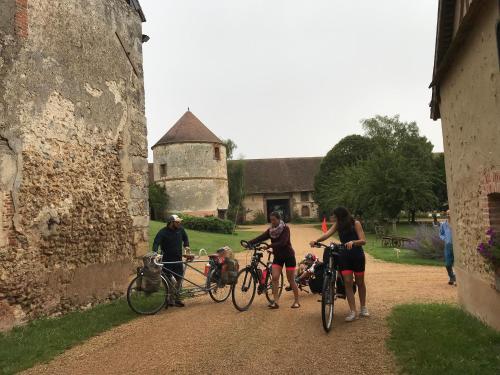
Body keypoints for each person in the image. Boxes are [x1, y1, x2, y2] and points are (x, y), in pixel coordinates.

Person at [310, 206, 369, 322]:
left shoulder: (355, 223)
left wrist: (353, 242)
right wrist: (316, 241)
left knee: (360, 282)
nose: (332, 218)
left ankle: (363, 307)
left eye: (334, 216)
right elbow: (327, 234)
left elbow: (363, 240)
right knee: (347, 282)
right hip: (345, 256)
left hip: (357, 255)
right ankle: (353, 311)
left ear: (340, 216)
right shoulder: (338, 224)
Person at [248, 211, 300, 309]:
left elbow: (283, 242)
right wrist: (249, 243)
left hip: (289, 256)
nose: (272, 222)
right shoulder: (271, 230)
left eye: (274, 220)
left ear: (278, 219)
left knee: (291, 280)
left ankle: (297, 301)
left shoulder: (285, 229)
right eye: (270, 220)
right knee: (275, 278)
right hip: (278, 256)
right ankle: (275, 302)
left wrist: (269, 246)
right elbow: (261, 237)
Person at [152, 214, 190, 307]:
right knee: (168, 280)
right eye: (177, 222)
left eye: (179, 222)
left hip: (178, 259)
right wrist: (155, 253)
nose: (179, 224)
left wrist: (186, 245)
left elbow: (185, 238)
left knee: (179, 279)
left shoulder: (181, 230)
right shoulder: (163, 232)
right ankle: (169, 299)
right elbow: (156, 243)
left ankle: (177, 298)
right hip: (167, 260)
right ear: (171, 223)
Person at [439, 210, 456, 285]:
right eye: (447, 214)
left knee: (457, 263)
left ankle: (455, 279)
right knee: (448, 264)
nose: (448, 215)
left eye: (450, 213)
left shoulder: (456, 223)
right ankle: (452, 276)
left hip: (457, 246)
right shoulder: (443, 224)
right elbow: (441, 233)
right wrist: (445, 238)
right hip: (448, 245)